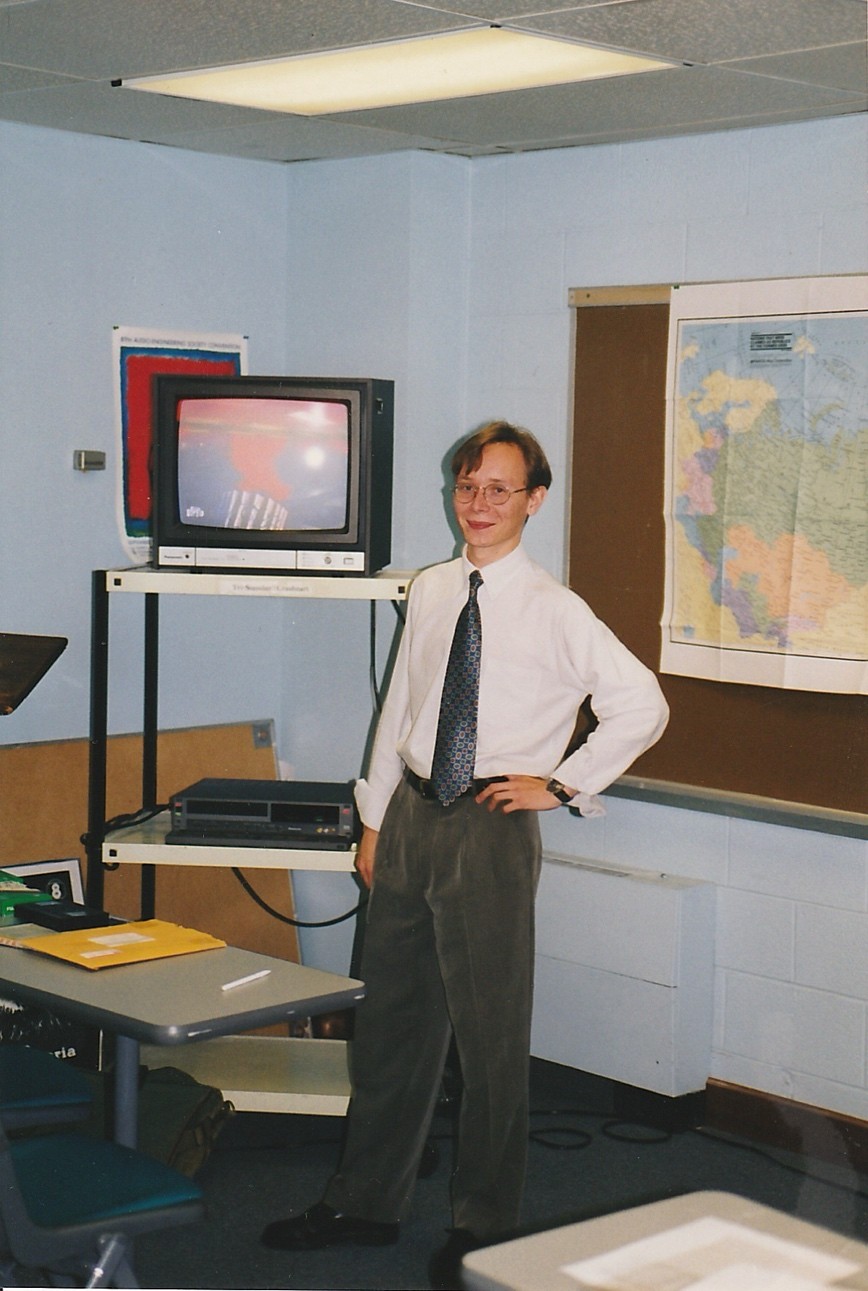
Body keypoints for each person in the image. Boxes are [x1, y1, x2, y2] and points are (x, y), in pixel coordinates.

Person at [261, 421, 669, 1287]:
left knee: (488, 1043)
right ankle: (364, 1202)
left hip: (488, 826)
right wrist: (374, 819)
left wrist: (560, 784)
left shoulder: (558, 609)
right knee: (391, 1035)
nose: (478, 504)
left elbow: (642, 703)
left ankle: (485, 1224)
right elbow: (400, 703)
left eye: (498, 489)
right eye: (466, 486)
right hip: (410, 816)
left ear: (534, 500)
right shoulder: (433, 585)